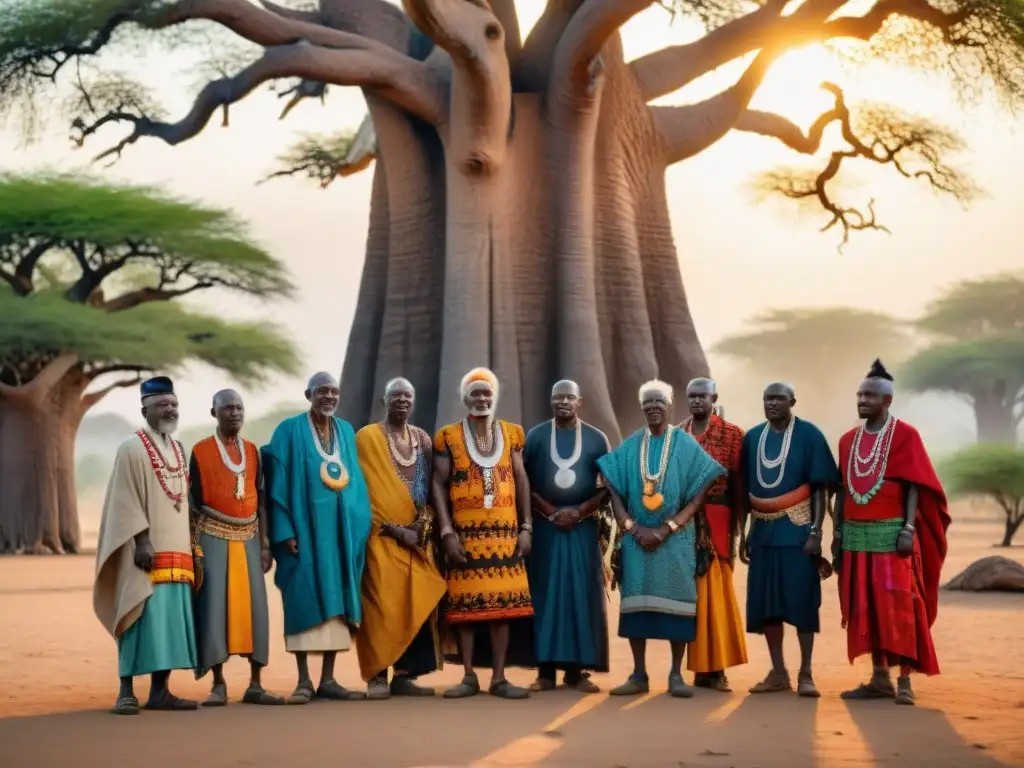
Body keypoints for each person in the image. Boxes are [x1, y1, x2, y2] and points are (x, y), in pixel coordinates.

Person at [597, 379, 726, 699]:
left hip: (676, 539)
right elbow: (611, 483)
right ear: (642, 408)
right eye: (648, 402)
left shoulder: (684, 444)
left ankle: (675, 675)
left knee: (679, 606)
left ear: (670, 407)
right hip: (637, 540)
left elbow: (699, 494)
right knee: (635, 607)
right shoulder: (631, 445)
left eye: (660, 402)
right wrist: (629, 525)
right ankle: (639, 674)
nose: (653, 407)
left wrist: (668, 527)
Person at [834, 360, 950, 706]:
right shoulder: (847, 440)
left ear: (887, 401)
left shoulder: (905, 435)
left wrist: (909, 528)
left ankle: (904, 681)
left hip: (893, 534)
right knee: (865, 607)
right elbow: (843, 490)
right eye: (859, 395)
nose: (862, 400)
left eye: (869, 395)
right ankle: (879, 677)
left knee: (899, 605)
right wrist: (837, 534)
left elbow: (915, 485)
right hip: (855, 536)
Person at [262, 371, 373, 704]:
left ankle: (328, 678)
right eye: (322, 391)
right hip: (305, 534)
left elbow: (355, 482)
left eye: (334, 391)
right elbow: (276, 486)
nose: (329, 397)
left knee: (337, 603)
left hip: (339, 534)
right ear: (308, 394)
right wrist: (284, 532)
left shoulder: (346, 431)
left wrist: (355, 522)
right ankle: (303, 681)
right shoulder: (289, 431)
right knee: (303, 599)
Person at [93, 376, 199, 715]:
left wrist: (193, 547)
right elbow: (125, 498)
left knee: (167, 623)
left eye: (173, 404)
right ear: (145, 409)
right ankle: (125, 691)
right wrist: (141, 541)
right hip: (146, 551)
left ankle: (160, 691)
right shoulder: (132, 447)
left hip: (177, 552)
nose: (170, 409)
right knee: (137, 614)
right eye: (162, 405)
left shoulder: (179, 449)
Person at [432, 367, 535, 700]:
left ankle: (500, 678)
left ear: (494, 398)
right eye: (475, 393)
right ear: (465, 399)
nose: (481, 398)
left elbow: (521, 480)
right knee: (465, 610)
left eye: (486, 393)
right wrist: (446, 531)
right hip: (465, 536)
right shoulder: (448, 436)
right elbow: (437, 482)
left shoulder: (512, 434)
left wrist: (526, 527)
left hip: (506, 535)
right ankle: (468, 676)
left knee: (501, 610)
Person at [739, 382, 839, 698]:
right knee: (768, 606)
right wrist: (744, 533)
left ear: (792, 401)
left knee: (802, 603)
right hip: (763, 533)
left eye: (779, 398)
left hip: (798, 532)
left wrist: (816, 532)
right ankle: (778, 672)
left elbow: (821, 487)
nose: (772, 403)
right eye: (767, 398)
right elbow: (744, 491)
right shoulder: (753, 437)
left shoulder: (809, 435)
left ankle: (806, 672)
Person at [188, 389, 283, 706]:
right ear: (214, 412)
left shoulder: (254, 451)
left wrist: (266, 544)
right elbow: (193, 504)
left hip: (250, 539)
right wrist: (193, 548)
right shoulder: (200, 451)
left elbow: (263, 501)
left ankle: (255, 683)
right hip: (213, 535)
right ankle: (218, 684)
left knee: (255, 609)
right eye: (228, 408)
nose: (235, 413)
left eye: (239, 407)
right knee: (215, 607)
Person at [355, 377, 447, 699]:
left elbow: (431, 487)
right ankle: (377, 676)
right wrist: (393, 529)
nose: (402, 400)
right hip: (380, 538)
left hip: (416, 540)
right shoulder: (367, 438)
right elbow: (360, 491)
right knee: (381, 605)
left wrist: (422, 527)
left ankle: (405, 676)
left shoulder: (422, 439)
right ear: (384, 401)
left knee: (418, 601)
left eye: (408, 395)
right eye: (396, 396)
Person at [523, 380, 611, 694]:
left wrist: (580, 512)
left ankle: (576, 672)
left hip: (582, 529)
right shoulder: (535, 436)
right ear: (550, 401)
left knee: (580, 594)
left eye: (569, 397)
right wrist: (551, 512)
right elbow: (523, 482)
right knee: (545, 595)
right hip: (546, 529)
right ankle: (545, 672)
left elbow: (606, 487)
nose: (563, 402)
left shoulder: (596, 439)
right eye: (557, 396)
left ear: (580, 402)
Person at [679, 378, 748, 692]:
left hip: (719, 520)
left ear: (714, 397)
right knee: (690, 596)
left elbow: (739, 489)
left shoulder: (733, 436)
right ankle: (697, 670)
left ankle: (717, 670)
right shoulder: (677, 434)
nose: (696, 401)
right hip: (685, 523)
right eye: (691, 396)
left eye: (702, 396)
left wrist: (740, 533)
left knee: (716, 595)